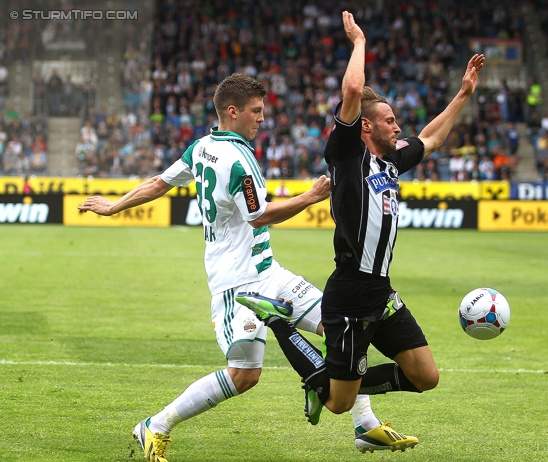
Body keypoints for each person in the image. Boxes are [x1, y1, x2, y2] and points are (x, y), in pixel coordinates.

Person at [78, 72, 406, 462]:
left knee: (340, 330)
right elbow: (259, 217)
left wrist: (114, 205)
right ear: (232, 112)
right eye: (255, 111)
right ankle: (156, 425)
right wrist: (312, 196)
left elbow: (158, 182)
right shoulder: (238, 160)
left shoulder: (201, 147)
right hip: (238, 283)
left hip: (270, 271)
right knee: (245, 375)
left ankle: (364, 426)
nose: (262, 118)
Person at [237, 10, 484, 451]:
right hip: (350, 292)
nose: (399, 127)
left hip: (381, 293)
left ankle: (335, 378)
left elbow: (433, 138)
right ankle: (281, 324)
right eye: (391, 121)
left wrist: (463, 95)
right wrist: (358, 42)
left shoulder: (391, 161)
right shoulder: (348, 157)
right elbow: (353, 89)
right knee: (335, 403)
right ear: (366, 126)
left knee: (425, 377)